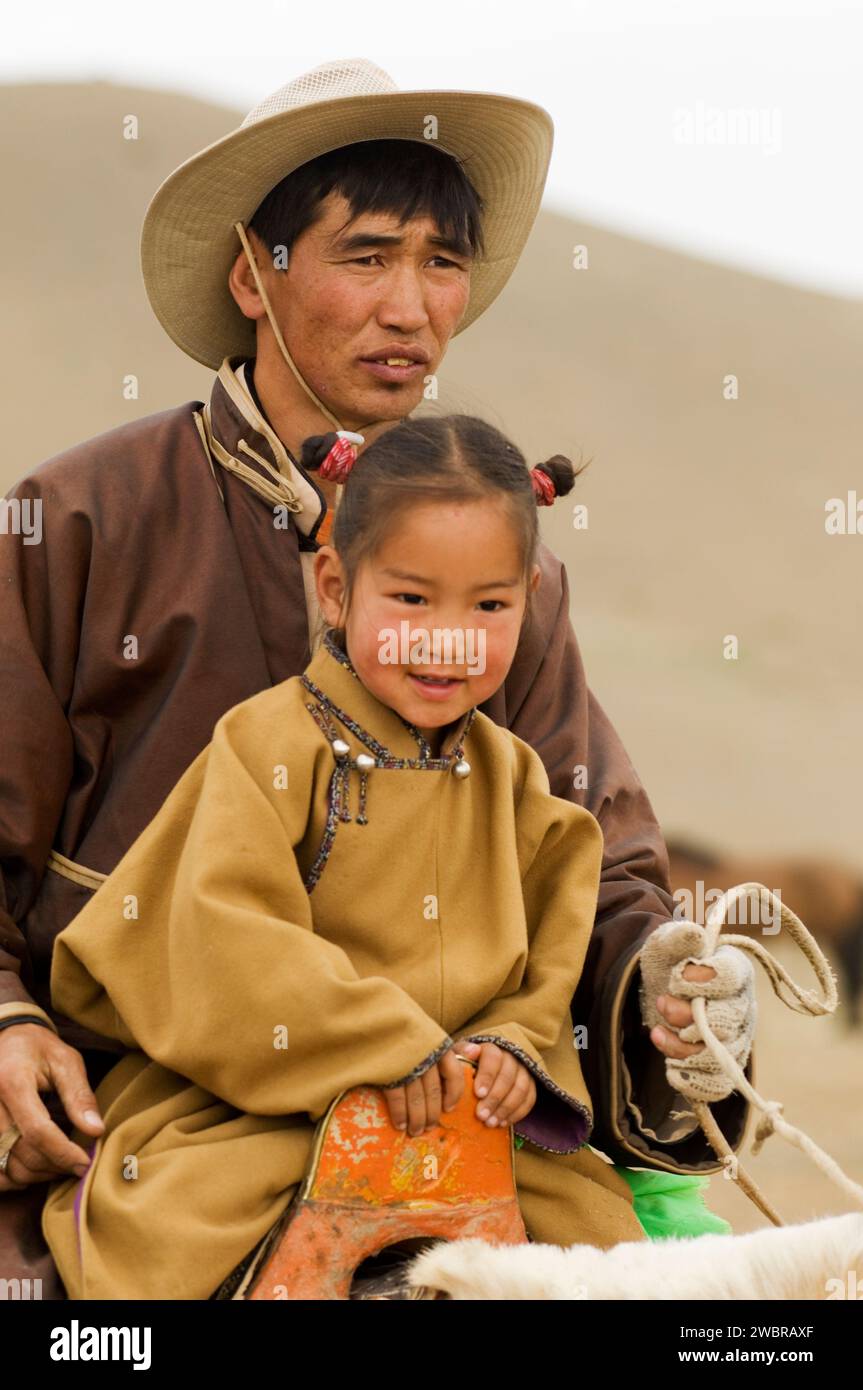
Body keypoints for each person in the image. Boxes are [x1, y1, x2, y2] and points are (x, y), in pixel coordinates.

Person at [0, 58, 754, 1297]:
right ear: (256, 273)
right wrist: (9, 1023)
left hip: (462, 1127)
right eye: (364, 257)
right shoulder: (79, 522)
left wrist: (669, 988)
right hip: (153, 1130)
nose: (411, 308)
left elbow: (598, 866)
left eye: (441, 265)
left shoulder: (511, 569)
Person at [41, 415, 728, 1300]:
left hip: (472, 1126)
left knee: (619, 1276)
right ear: (335, 588)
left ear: (529, 600)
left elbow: (546, 965)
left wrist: (514, 1053)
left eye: (488, 607)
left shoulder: (516, 781)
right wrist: (385, 1045)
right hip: (266, 1116)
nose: (448, 638)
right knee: (167, 1256)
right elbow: (223, 932)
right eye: (410, 600)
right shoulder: (267, 744)